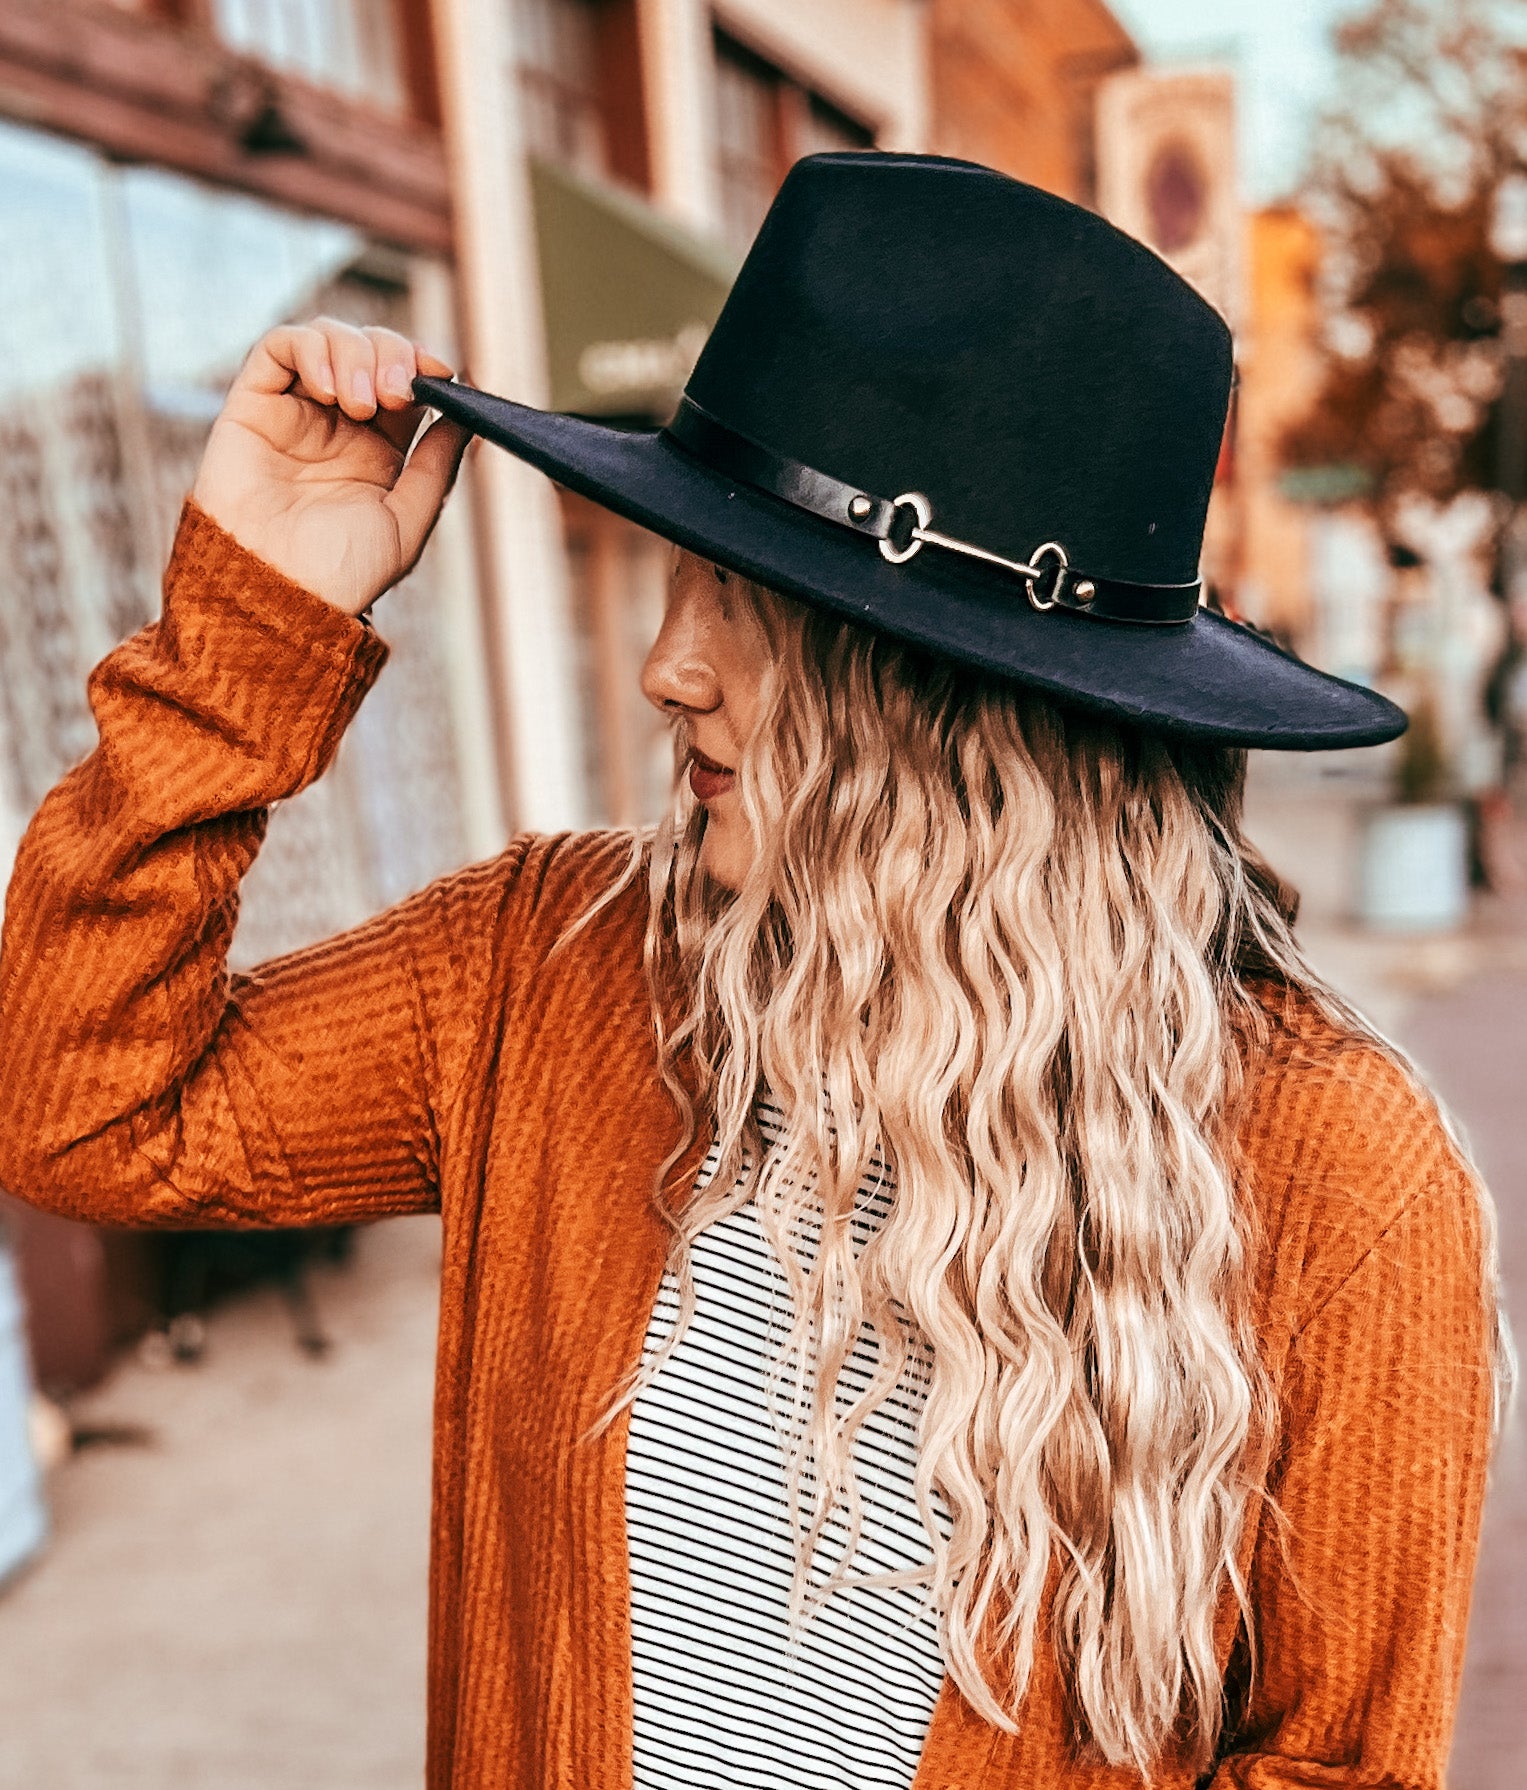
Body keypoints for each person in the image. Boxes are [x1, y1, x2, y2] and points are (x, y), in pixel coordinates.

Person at [0, 154, 1511, 1789]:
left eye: (748, 597)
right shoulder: (548, 966)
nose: (666, 666)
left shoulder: (1337, 1179)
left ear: (959, 698)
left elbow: (1341, 1766)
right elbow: (82, 1105)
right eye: (680, 570)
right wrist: (253, 633)